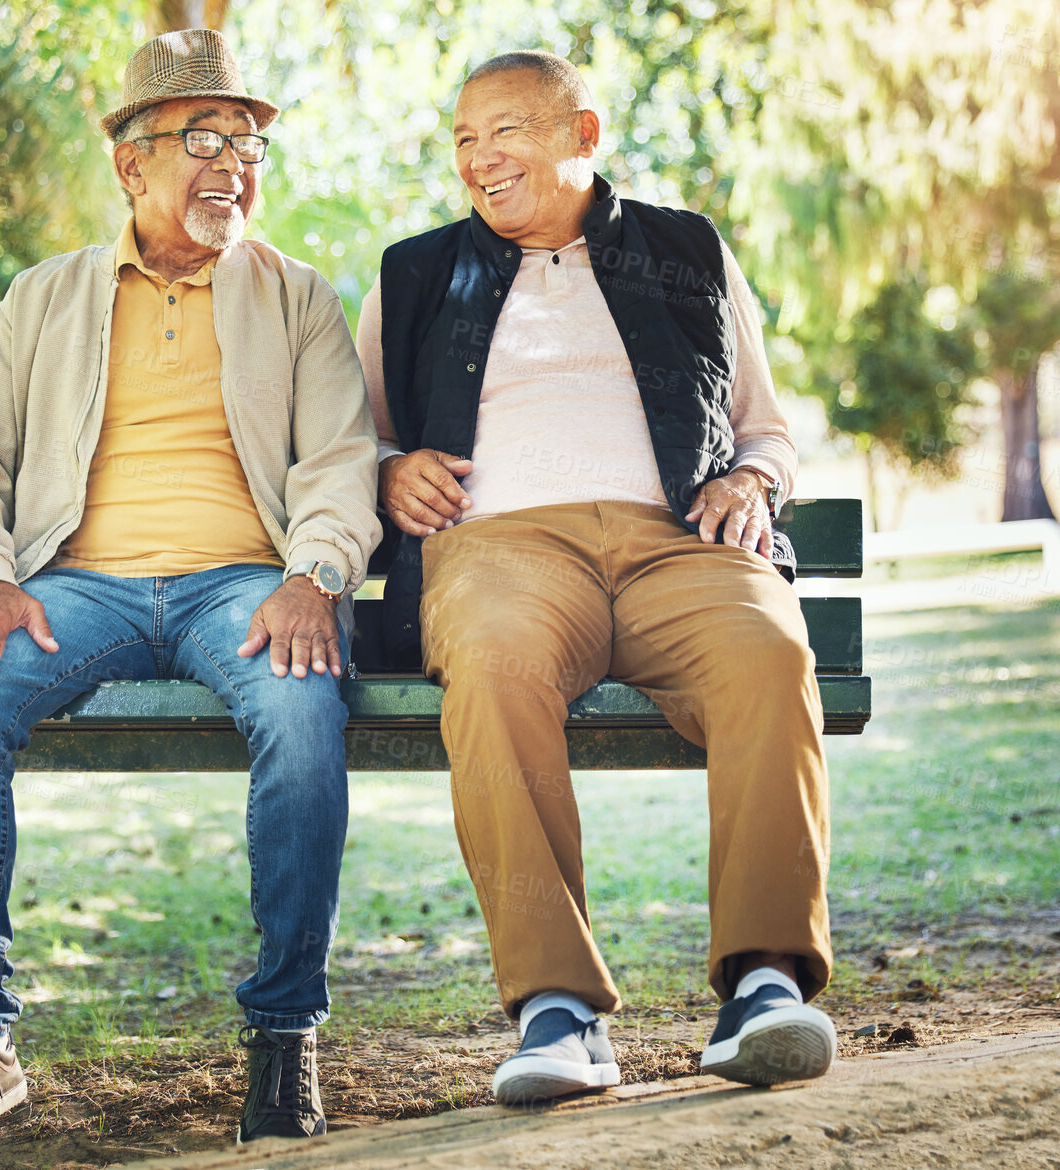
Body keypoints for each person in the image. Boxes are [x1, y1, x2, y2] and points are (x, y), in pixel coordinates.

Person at [0, 29, 378, 1150]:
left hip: (242, 588)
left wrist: (312, 575)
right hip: (76, 590)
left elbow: (340, 462)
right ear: (130, 162)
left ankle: (284, 1028)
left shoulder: (297, 298)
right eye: (202, 138)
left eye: (247, 140)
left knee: (304, 713)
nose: (232, 164)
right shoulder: (45, 297)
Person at [358, 50, 837, 1104]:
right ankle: (556, 1012)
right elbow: (357, 442)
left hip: (679, 541)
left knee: (767, 651)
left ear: (582, 134)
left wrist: (754, 480)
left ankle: (762, 985)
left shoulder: (687, 251)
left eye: (506, 131)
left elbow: (766, 432)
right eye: (463, 140)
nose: (479, 160)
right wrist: (388, 475)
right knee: (488, 665)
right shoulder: (414, 273)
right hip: (502, 549)